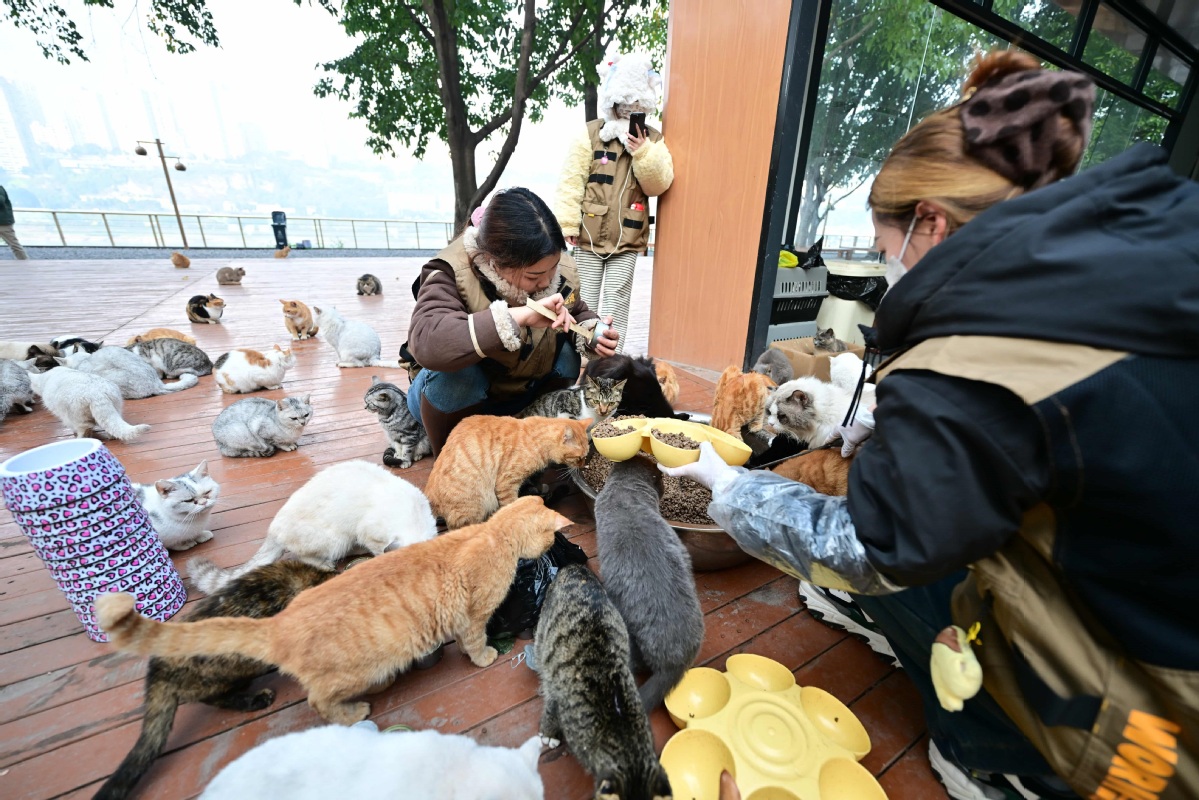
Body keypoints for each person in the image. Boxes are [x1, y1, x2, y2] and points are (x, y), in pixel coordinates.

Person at [664, 51, 1199, 800]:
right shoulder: (1141, 250)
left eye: (886, 252)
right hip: (1159, 586)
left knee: (900, 562)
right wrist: (907, 429)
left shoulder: (974, 360)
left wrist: (731, 491)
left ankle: (996, 753)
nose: (887, 271)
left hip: (1157, 717)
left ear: (930, 222)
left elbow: (869, 544)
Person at [406, 187, 620, 455]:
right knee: (457, 378)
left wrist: (592, 331)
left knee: (568, 355)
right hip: (456, 399)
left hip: (518, 392)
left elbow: (576, 310)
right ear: (495, 262)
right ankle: (454, 457)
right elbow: (430, 342)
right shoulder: (451, 271)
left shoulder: (556, 271)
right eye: (533, 277)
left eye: (553, 268)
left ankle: (531, 438)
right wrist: (517, 317)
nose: (547, 282)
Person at [553, 52, 674, 354]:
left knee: (617, 301)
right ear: (613, 99)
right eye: (625, 103)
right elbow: (571, 180)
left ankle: (610, 360)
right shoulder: (591, 134)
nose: (629, 109)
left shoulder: (653, 140)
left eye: (636, 104)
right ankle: (580, 355)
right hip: (588, 234)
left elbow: (659, 184)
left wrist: (643, 151)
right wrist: (567, 223)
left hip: (628, 237)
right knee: (583, 299)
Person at [0, 185, 29, 260]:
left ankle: (25, 262)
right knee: (14, 245)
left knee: (14, 245)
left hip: (3, 223)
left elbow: (1, 201)